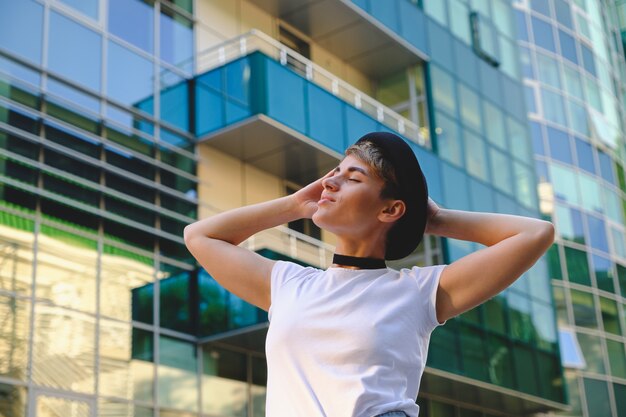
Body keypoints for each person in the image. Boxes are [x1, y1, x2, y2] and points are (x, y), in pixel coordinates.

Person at [184, 131, 555, 417]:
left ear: (390, 210)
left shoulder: (418, 292)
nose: (329, 183)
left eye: (353, 178)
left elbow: (535, 234)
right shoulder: (289, 285)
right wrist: (294, 204)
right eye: (334, 173)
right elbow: (200, 235)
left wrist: (435, 220)